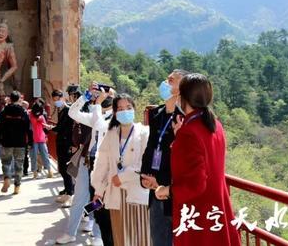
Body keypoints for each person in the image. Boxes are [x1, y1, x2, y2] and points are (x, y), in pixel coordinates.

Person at [154, 74, 240, 246]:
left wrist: (166, 191)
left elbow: (195, 184)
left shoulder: (190, 131)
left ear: (182, 97)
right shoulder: (214, 124)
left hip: (199, 213)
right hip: (217, 206)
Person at [55, 83, 114, 245]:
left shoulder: (116, 119)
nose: (102, 97)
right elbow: (73, 113)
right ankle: (70, 232)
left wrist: (97, 104)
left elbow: (101, 126)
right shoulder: (95, 114)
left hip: (104, 166)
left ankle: (97, 234)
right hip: (86, 161)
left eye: (106, 95)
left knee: (98, 200)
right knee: (80, 198)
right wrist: (86, 96)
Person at [91, 94, 151, 246]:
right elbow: (102, 164)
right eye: (121, 109)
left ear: (134, 109)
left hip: (136, 192)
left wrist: (122, 177)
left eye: (128, 108)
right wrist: (98, 190)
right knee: (120, 237)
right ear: (115, 112)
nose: (125, 112)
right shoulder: (111, 134)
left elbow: (145, 163)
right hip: (115, 194)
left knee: (140, 237)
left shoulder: (144, 132)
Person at [140, 69, 188, 246]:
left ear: (184, 88)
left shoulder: (185, 118)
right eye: (167, 78)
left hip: (173, 191)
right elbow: (151, 148)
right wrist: (144, 176)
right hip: (154, 190)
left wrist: (164, 185)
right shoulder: (156, 114)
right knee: (158, 240)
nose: (166, 83)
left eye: (172, 80)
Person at [0, 90, 30, 194]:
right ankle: (17, 187)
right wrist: (30, 142)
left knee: (6, 162)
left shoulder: (4, 111)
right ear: (19, 99)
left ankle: (7, 178)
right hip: (20, 142)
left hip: (6, 141)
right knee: (19, 164)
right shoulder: (23, 112)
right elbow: (28, 128)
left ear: (10, 99)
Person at [52, 89, 75, 205]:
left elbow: (62, 127)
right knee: (61, 168)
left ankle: (70, 194)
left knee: (66, 169)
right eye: (55, 100)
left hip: (66, 143)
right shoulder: (61, 110)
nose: (57, 102)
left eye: (58, 99)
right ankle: (67, 191)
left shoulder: (68, 110)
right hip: (61, 142)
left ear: (63, 97)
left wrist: (52, 128)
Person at [29, 101, 53, 179]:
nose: (38, 112)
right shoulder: (31, 115)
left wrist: (47, 126)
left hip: (41, 138)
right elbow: (35, 122)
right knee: (33, 156)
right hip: (33, 139)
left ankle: (49, 171)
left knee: (45, 155)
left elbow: (44, 126)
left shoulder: (41, 116)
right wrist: (41, 121)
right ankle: (35, 172)